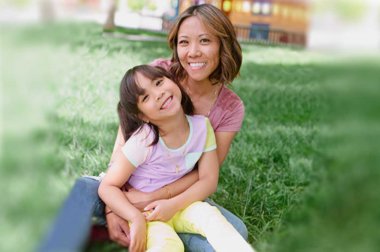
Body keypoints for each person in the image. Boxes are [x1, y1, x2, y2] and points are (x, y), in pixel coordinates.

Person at [38, 4, 247, 252]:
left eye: (204, 41)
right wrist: (113, 208)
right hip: (128, 188)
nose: (192, 52)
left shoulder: (230, 108)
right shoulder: (160, 75)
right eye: (183, 42)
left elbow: (203, 175)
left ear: (223, 44)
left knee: (237, 230)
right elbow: (125, 140)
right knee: (84, 190)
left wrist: (158, 198)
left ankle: (157, 232)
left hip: (179, 198)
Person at [98, 64, 253, 252]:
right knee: (168, 245)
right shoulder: (144, 139)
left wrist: (172, 205)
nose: (158, 94)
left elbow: (209, 180)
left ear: (173, 82)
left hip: (183, 203)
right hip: (146, 213)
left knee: (209, 216)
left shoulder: (202, 127)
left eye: (159, 82)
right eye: (145, 97)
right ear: (142, 115)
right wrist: (135, 217)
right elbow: (107, 186)